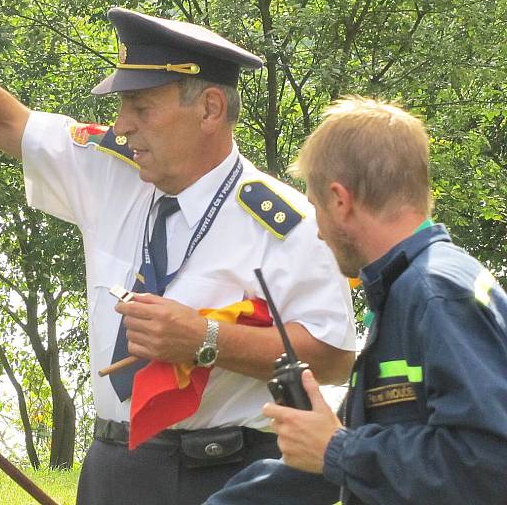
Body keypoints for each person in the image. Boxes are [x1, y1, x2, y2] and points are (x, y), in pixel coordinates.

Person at [0, 8, 356, 505]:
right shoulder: (109, 173)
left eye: (141, 109)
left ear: (210, 109)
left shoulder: (287, 224)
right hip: (115, 469)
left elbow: (334, 357)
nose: (122, 127)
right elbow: (2, 122)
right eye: (123, 106)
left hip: (228, 473)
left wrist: (205, 339)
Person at [205, 96, 507, 505]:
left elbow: (489, 466)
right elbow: (349, 451)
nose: (317, 233)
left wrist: (337, 450)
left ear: (340, 200)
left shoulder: (434, 294)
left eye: (315, 209)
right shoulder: (409, 288)